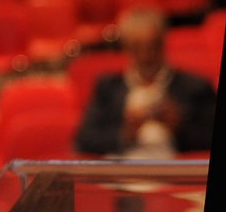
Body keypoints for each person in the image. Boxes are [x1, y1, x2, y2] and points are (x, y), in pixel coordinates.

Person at [75, 8, 216, 157]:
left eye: (153, 46)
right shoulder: (108, 88)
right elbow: (84, 140)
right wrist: (125, 134)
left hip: (174, 166)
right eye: (137, 47)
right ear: (126, 47)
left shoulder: (195, 87)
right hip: (122, 166)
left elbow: (211, 136)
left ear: (163, 43)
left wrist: (179, 127)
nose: (146, 56)